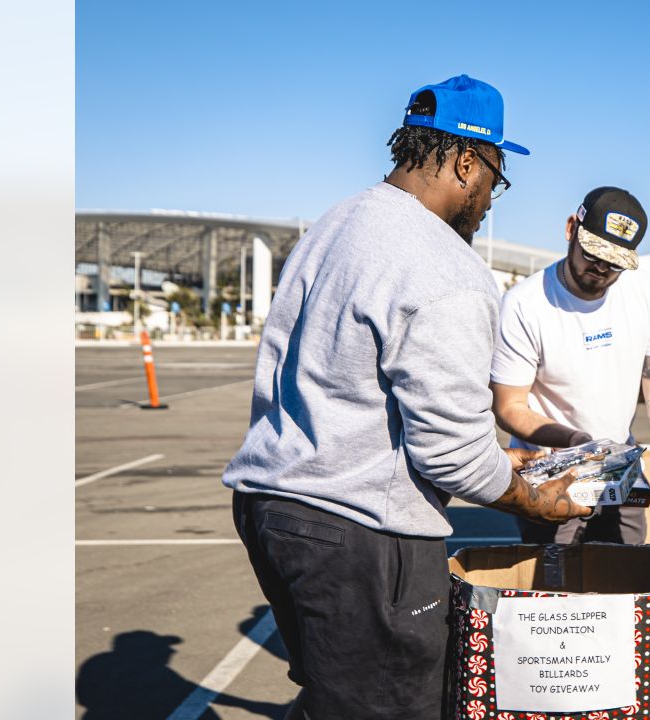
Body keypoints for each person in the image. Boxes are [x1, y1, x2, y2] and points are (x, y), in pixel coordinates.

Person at [222, 75, 591, 720]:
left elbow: (353, 388)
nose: (488, 202)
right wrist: (532, 496)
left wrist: (507, 457)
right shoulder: (443, 267)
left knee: (335, 698)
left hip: (271, 506)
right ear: (466, 162)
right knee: (388, 706)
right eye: (495, 182)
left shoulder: (336, 225)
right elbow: (450, 456)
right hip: (360, 530)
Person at [491, 186, 650, 545]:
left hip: (620, 470)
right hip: (553, 476)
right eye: (594, 254)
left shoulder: (647, 291)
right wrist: (574, 442)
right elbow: (509, 406)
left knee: (626, 579)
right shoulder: (524, 304)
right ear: (570, 230)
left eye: (615, 263)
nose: (601, 269)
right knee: (554, 591)